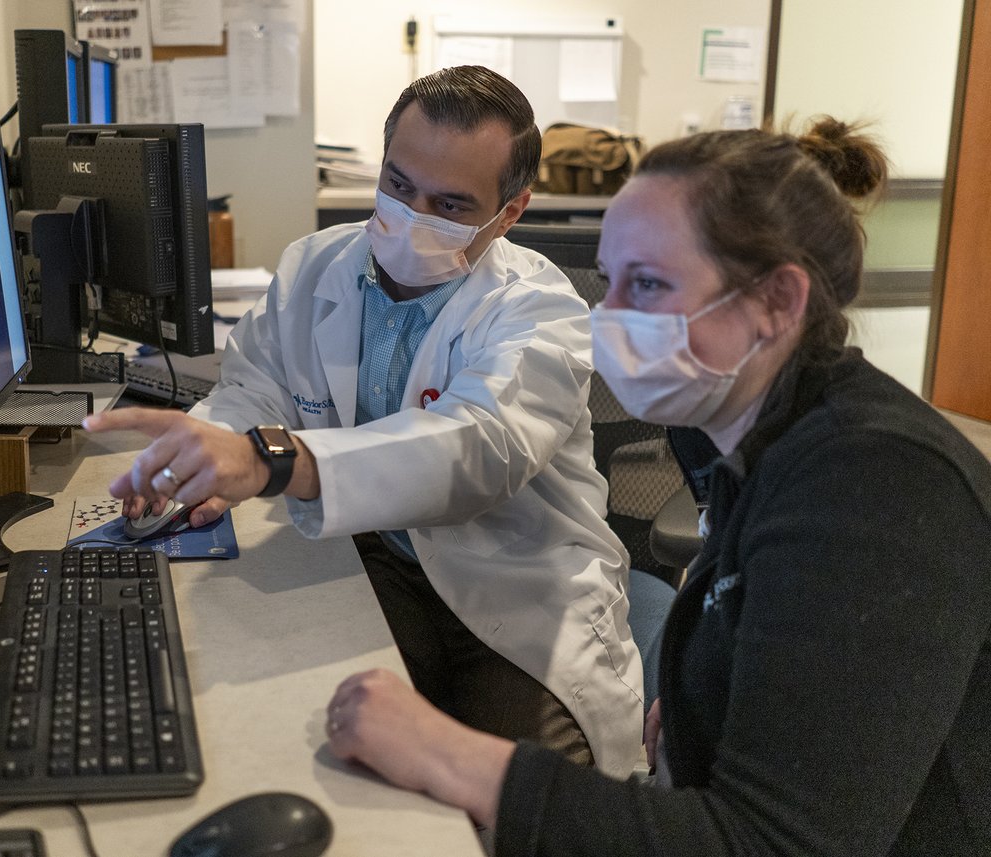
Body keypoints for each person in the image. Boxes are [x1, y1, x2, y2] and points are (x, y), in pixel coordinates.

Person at [321, 118, 991, 855]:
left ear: (779, 300)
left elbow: (769, 844)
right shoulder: (738, 426)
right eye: (610, 283)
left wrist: (445, 753)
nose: (608, 318)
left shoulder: (878, 487)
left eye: (647, 283)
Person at [83, 65, 644, 777]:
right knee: (312, 746)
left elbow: (479, 448)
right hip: (376, 564)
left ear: (510, 211)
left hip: (519, 594)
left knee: (519, 806)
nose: (411, 215)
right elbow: (256, 387)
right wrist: (201, 458)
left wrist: (272, 461)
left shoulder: (538, 310)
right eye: (399, 184)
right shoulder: (314, 267)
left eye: (449, 203)